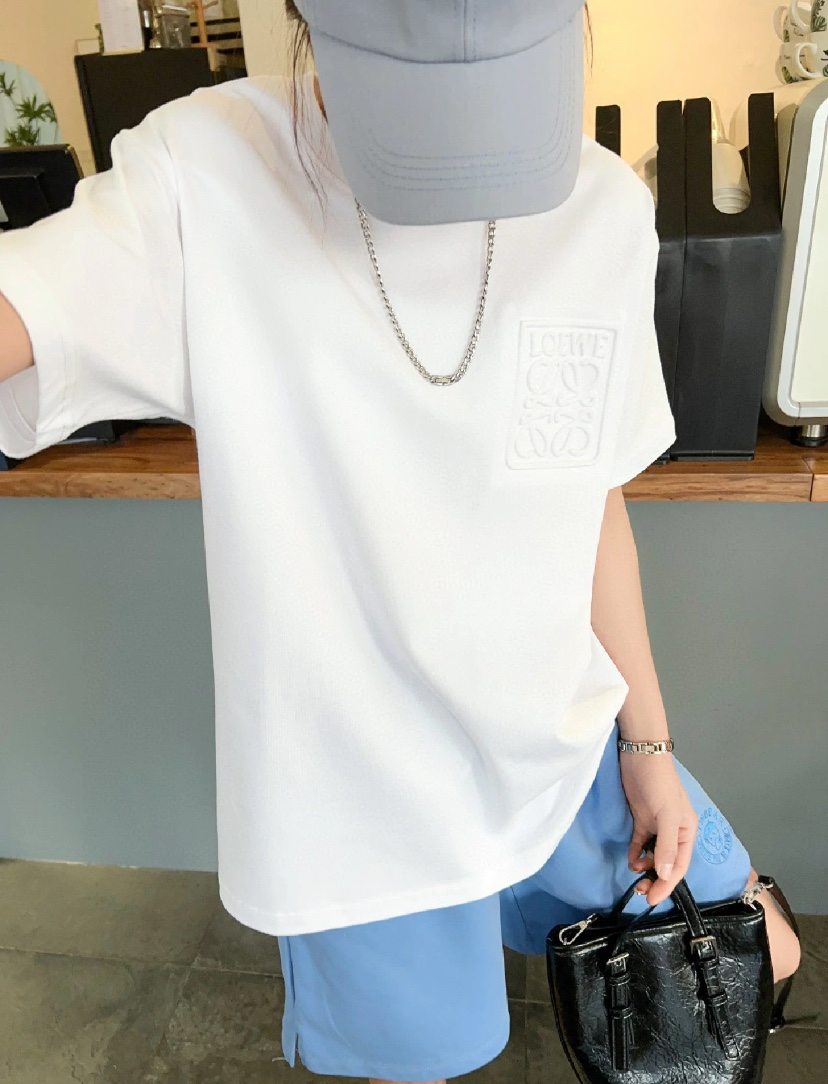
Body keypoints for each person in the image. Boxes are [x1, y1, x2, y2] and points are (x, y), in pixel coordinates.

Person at [0, 2, 801, 1082]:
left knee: (761, 951)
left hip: (561, 745)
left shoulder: (603, 205)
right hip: (361, 803)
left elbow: (587, 496)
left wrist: (647, 743)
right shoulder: (206, 176)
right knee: (436, 1059)